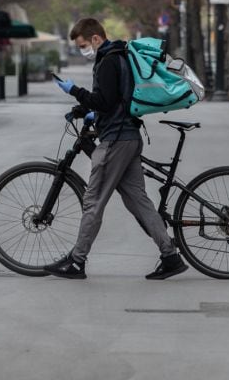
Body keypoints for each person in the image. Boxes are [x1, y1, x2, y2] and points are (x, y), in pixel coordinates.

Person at [45, 17, 187, 280]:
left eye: (83, 45)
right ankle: (170, 256)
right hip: (128, 135)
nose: (82, 50)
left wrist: (74, 91)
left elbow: (105, 101)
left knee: (93, 201)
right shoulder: (117, 56)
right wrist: (88, 113)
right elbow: (114, 100)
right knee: (138, 201)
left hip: (116, 140)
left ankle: (76, 262)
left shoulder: (108, 60)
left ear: (96, 38)